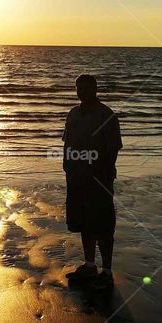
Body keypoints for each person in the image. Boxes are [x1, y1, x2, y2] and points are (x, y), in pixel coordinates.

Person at [61, 74, 122, 290]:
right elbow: (66, 142)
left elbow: (114, 148)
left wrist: (104, 173)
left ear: (95, 89)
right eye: (79, 88)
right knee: (84, 222)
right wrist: (66, 164)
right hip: (76, 177)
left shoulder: (106, 115)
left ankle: (106, 271)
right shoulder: (74, 113)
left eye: (87, 88)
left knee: (103, 225)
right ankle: (89, 265)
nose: (82, 92)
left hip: (99, 178)